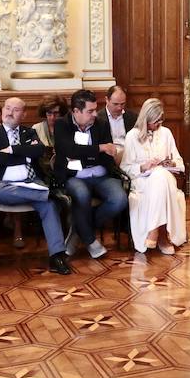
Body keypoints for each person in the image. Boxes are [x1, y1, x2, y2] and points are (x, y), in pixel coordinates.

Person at [0, 96, 71, 274]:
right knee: (45, 197)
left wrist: (13, 150)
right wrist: (26, 155)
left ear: (23, 114)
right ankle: (49, 193)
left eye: (15, 110)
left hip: (32, 183)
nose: (8, 112)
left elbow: (38, 151)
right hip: (5, 186)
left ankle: (57, 256)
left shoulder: (29, 132)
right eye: (7, 108)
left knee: (49, 206)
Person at [55, 89, 127, 260]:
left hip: (101, 174)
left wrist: (84, 153)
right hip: (74, 175)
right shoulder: (62, 124)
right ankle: (90, 240)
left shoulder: (101, 124)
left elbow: (108, 153)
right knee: (81, 194)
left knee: (120, 199)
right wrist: (99, 148)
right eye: (90, 111)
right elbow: (68, 150)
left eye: (95, 109)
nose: (95, 114)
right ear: (76, 111)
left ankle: (79, 230)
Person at [122, 98, 186, 255]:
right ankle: (163, 235)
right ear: (146, 120)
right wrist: (143, 166)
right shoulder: (132, 136)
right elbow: (125, 168)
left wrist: (171, 164)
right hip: (143, 180)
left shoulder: (166, 133)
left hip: (166, 177)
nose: (159, 125)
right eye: (155, 121)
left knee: (160, 175)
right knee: (158, 176)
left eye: (161, 120)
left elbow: (178, 161)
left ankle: (153, 231)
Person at [99, 84, 137, 162]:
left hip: (130, 153)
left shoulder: (133, 117)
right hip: (108, 156)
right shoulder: (98, 118)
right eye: (115, 104)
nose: (119, 108)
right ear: (107, 100)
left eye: (122, 104)